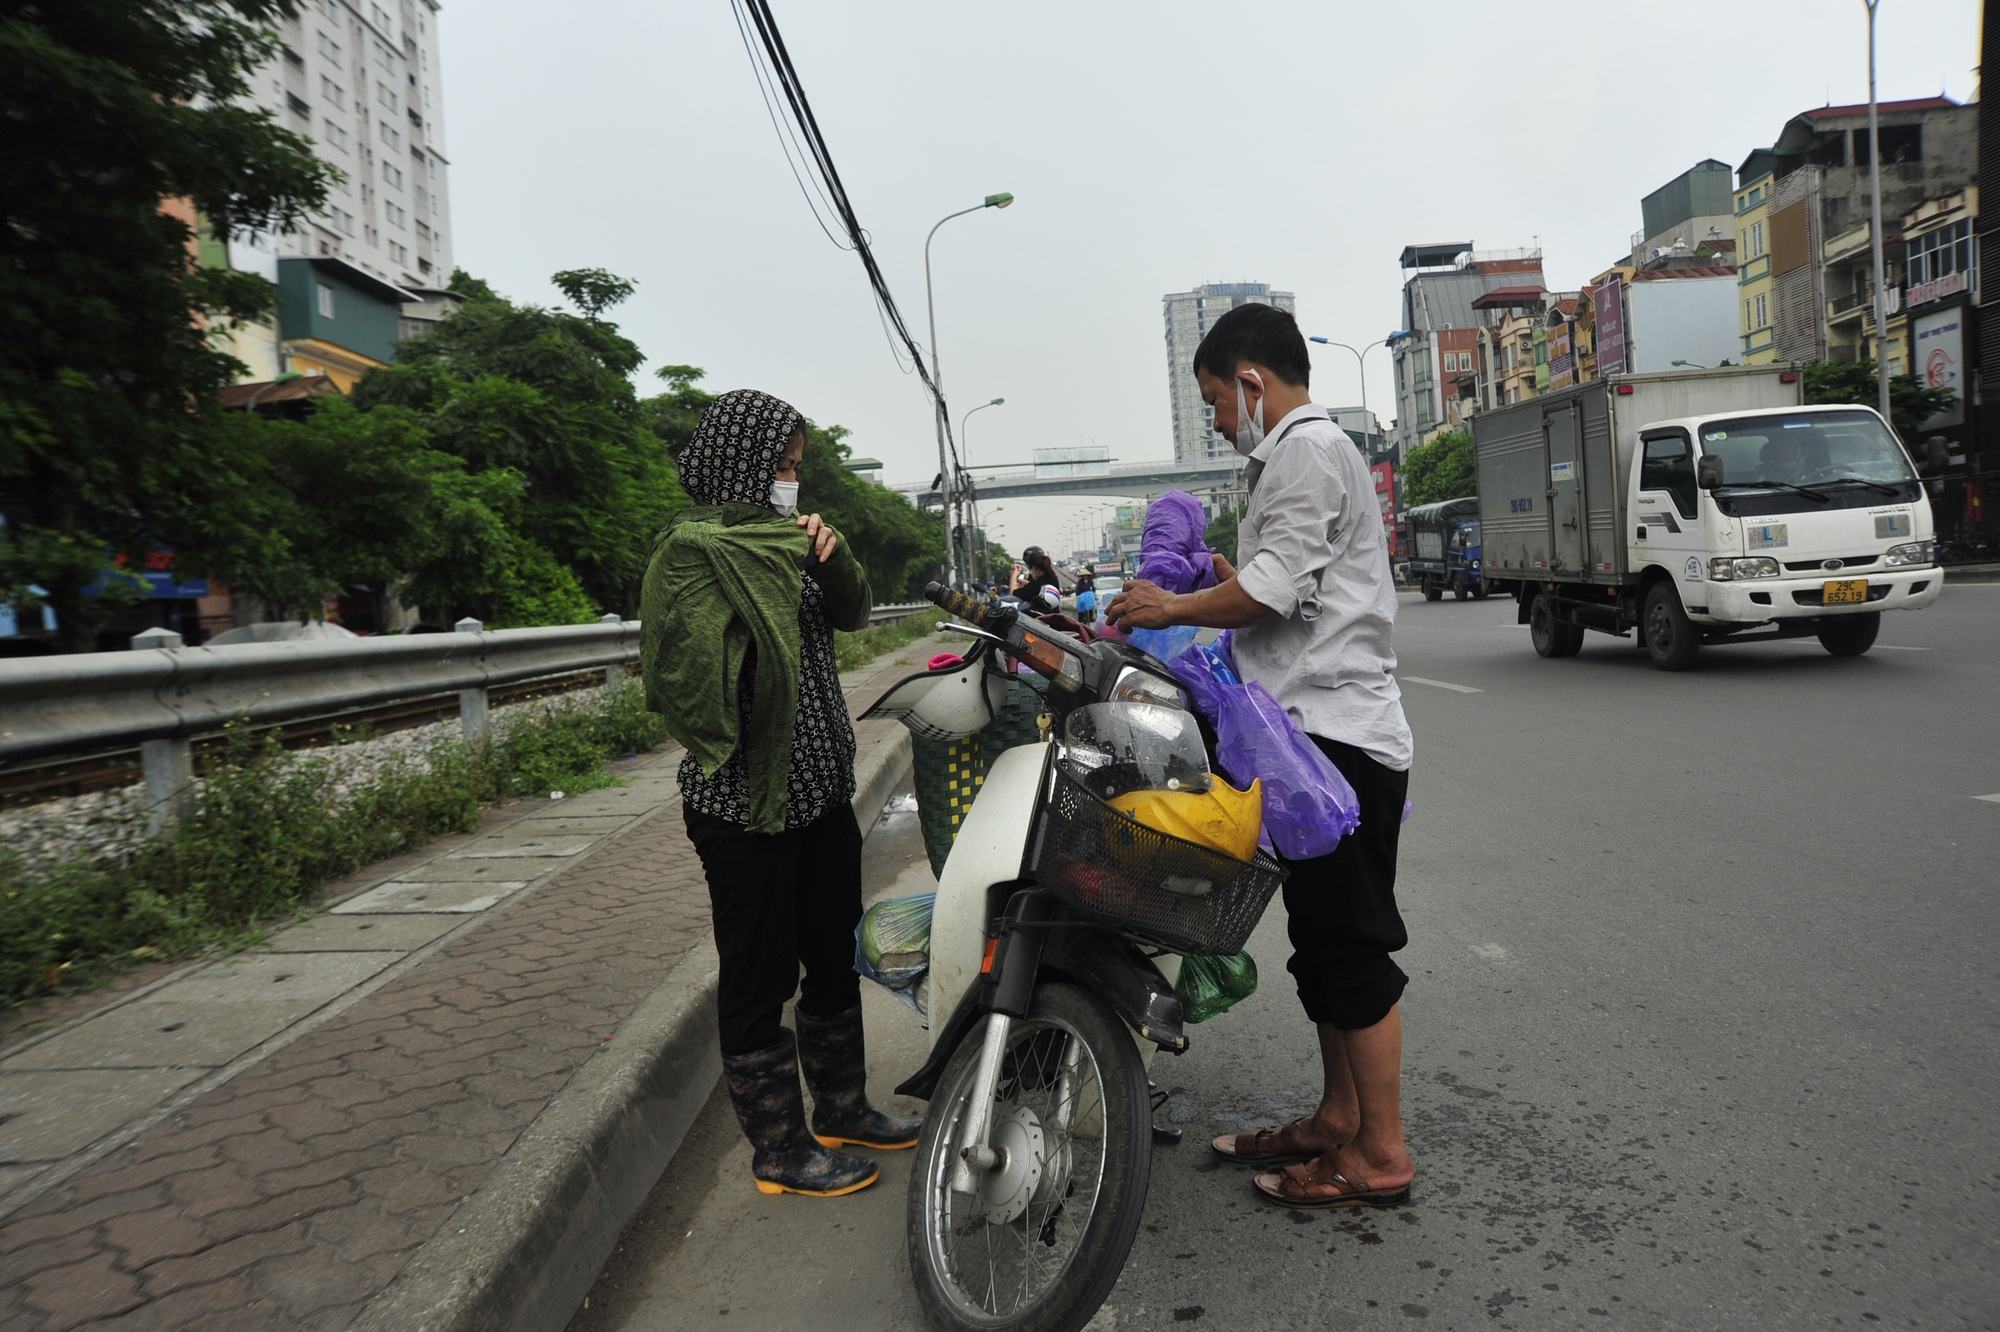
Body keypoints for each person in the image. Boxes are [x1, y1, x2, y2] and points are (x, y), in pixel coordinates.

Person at [1106, 304, 1416, 1211]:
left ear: (1251, 381)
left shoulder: (1307, 452)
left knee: (1350, 945)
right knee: (1319, 944)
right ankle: (1337, 1120)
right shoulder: (1290, 459)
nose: (1213, 418)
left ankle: (1382, 1153)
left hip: (1339, 742)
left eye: (1213, 398)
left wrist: (1169, 608)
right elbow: (1277, 578)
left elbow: (1273, 593)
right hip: (1306, 741)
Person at [640, 389, 919, 1198]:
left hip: (820, 791)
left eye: (798, 468)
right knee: (759, 975)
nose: (793, 482)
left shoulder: (797, 541)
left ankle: (841, 1110)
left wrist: (829, 557)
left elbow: (854, 615)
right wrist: (776, 560)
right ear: (743, 464)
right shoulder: (693, 551)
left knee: (832, 955)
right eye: (783, 467)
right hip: (743, 804)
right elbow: (693, 668)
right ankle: (778, 1149)